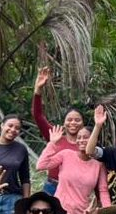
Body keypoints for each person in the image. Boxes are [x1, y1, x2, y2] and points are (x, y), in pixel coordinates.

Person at [32, 66, 86, 196]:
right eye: (69, 120)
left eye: (77, 120)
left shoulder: (86, 142)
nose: (73, 123)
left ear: (83, 123)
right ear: (64, 123)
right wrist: (38, 90)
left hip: (74, 189)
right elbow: (38, 115)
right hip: (52, 186)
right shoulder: (55, 135)